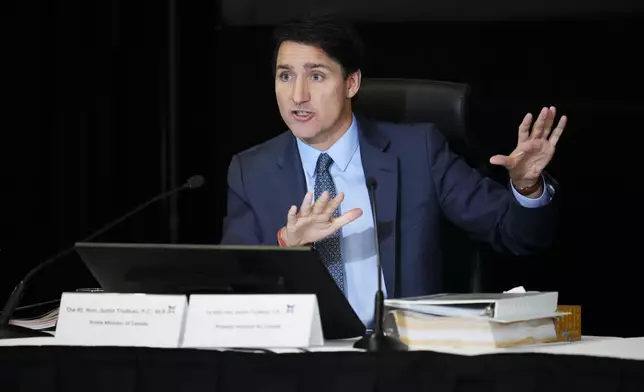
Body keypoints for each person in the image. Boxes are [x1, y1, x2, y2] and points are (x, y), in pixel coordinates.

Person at [220, 15, 566, 327]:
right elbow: (232, 290)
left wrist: (527, 187)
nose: (298, 95)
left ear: (351, 83)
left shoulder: (417, 153)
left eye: (316, 75)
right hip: (302, 360)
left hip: (403, 358)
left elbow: (515, 234)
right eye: (285, 76)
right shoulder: (252, 170)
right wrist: (287, 245)